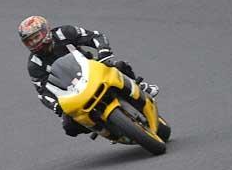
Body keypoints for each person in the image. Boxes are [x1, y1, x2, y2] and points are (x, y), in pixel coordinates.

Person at [18, 15, 160, 136]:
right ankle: (105, 130)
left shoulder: (64, 32)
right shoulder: (34, 64)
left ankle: (139, 86)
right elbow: (42, 91)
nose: (33, 43)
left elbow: (96, 36)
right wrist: (55, 105)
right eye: (29, 41)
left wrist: (104, 52)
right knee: (69, 127)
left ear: (46, 31)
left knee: (119, 66)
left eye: (36, 37)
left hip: (92, 70)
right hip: (71, 91)